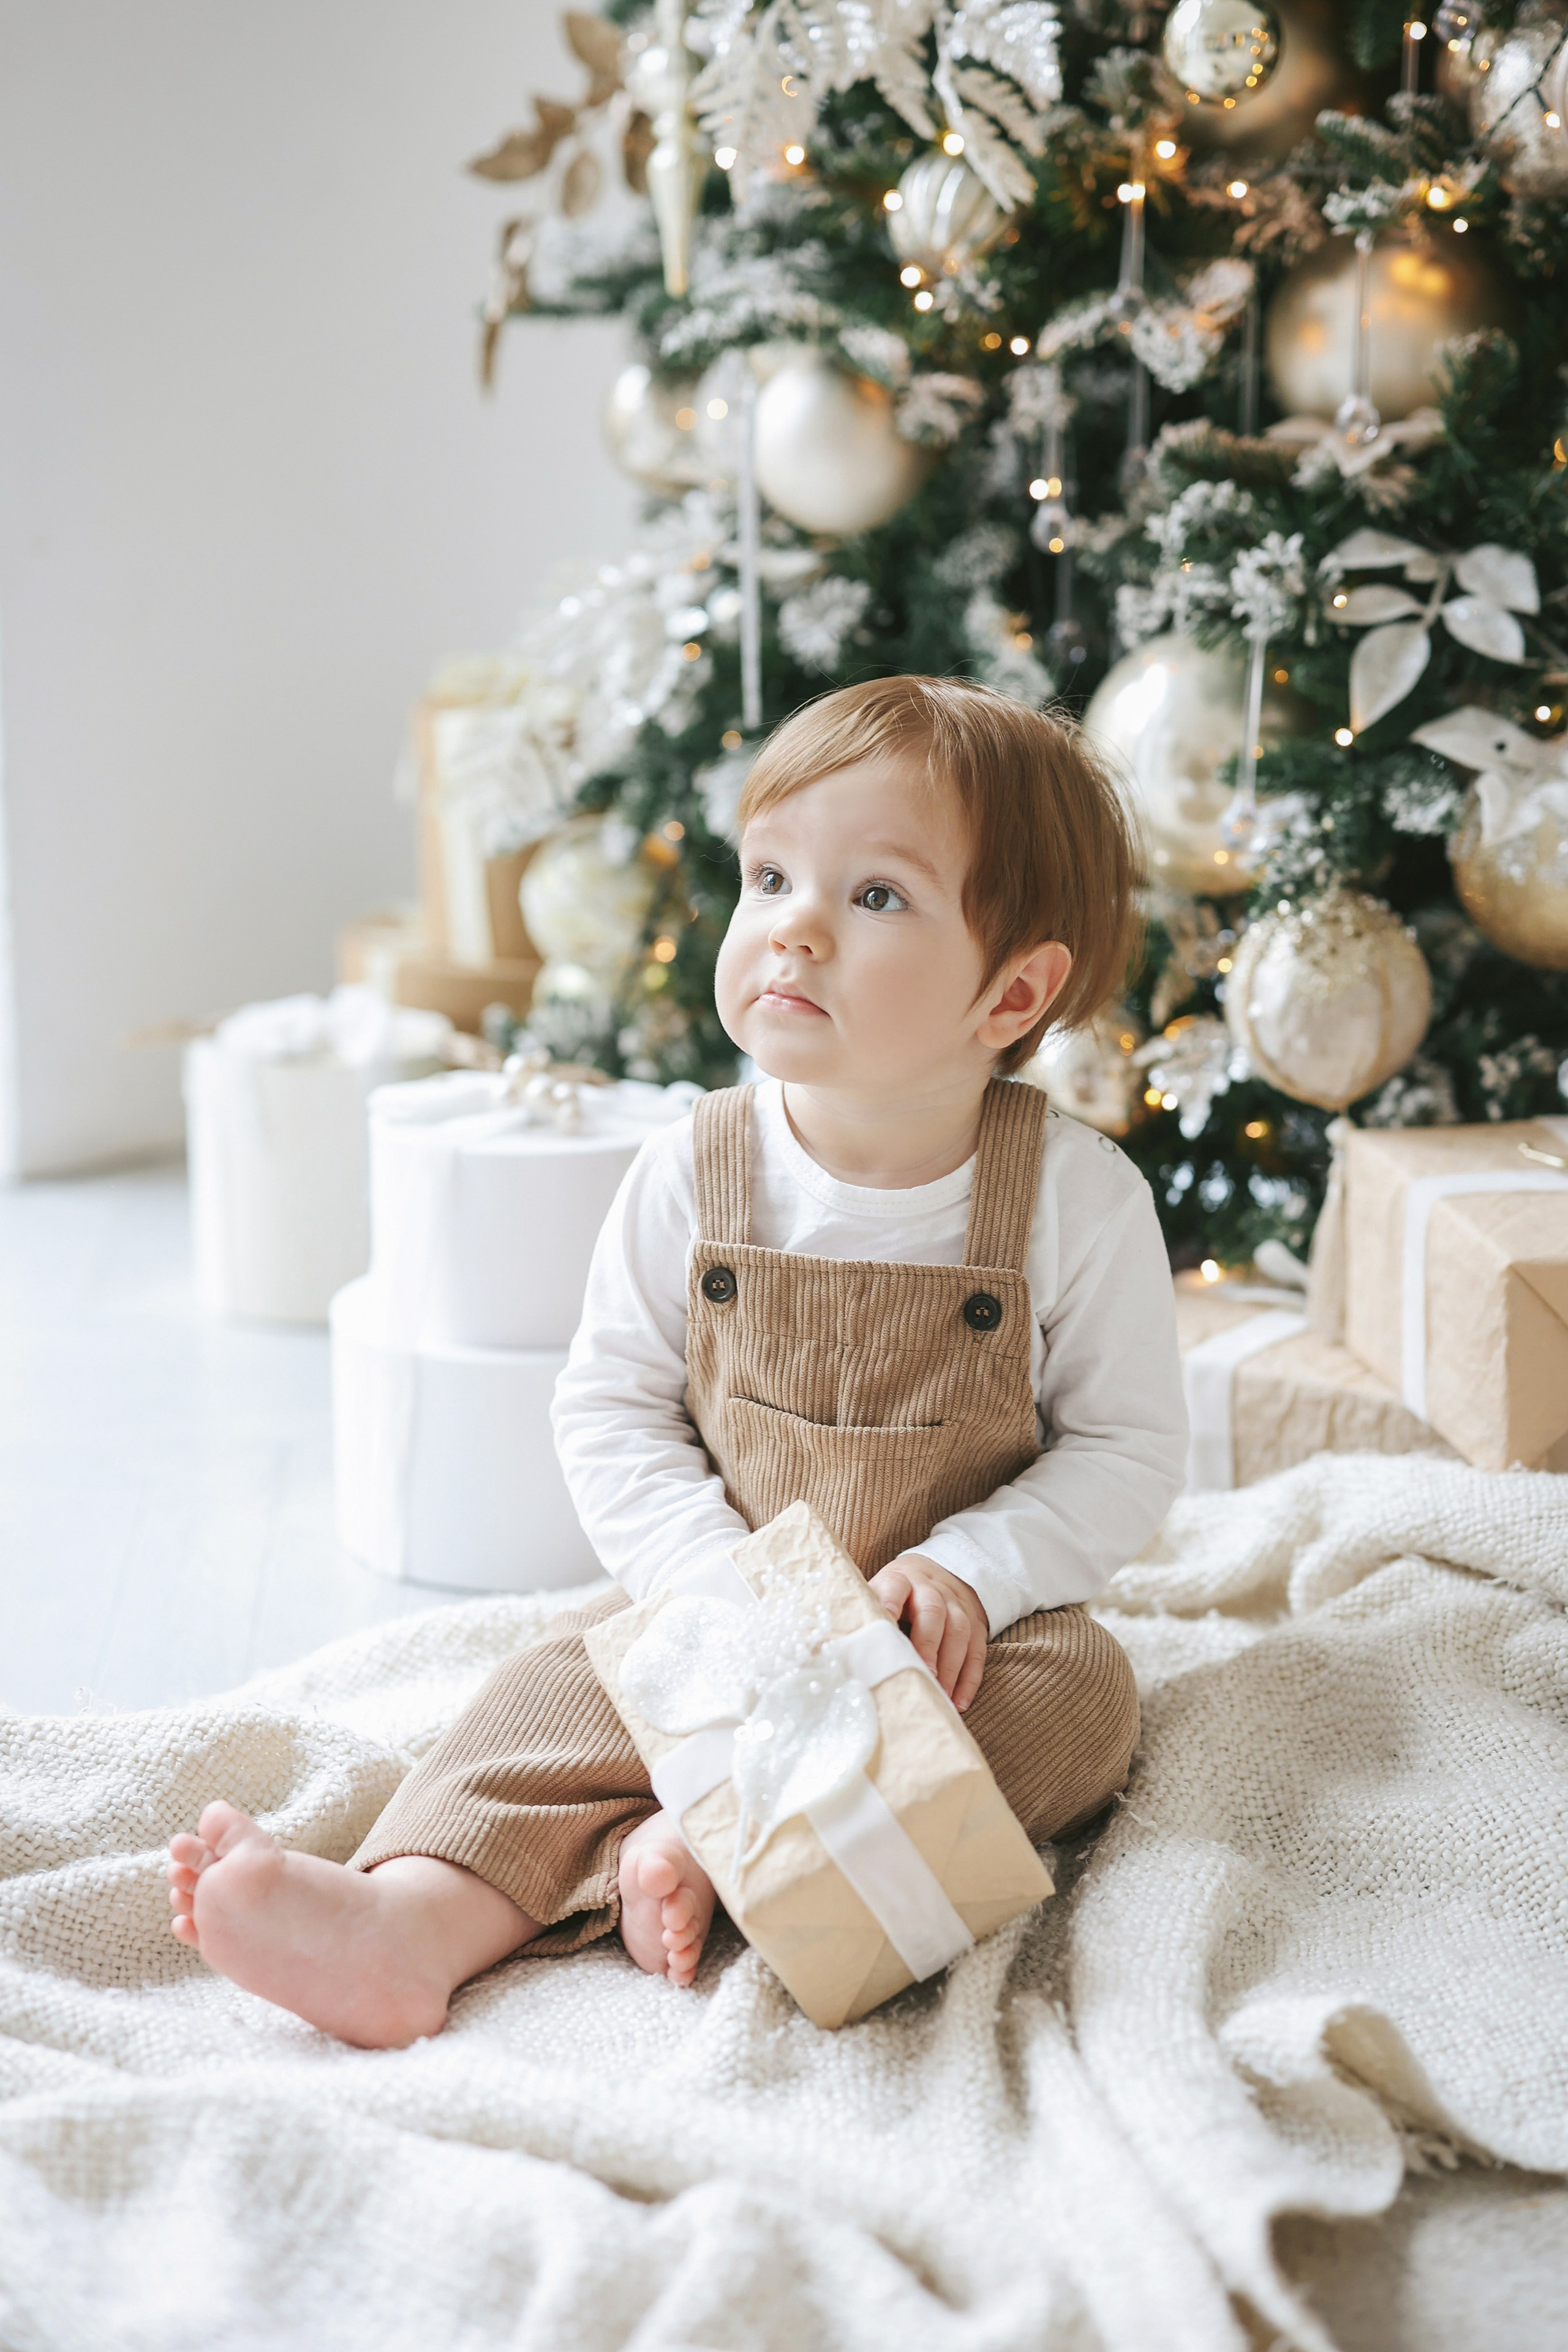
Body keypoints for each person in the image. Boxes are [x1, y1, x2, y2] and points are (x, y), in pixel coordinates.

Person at [166, 676, 1188, 2047]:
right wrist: (704, 1585)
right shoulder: (695, 1169)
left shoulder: (1075, 1199)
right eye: (768, 877)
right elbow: (610, 1407)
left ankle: (711, 1852)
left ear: (1011, 990)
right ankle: (407, 1921)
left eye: (873, 897)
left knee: (1082, 1705)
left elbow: (1125, 1449)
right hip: (714, 1603)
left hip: (933, 1652)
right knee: (549, 1694)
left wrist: (976, 1571)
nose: (793, 931)